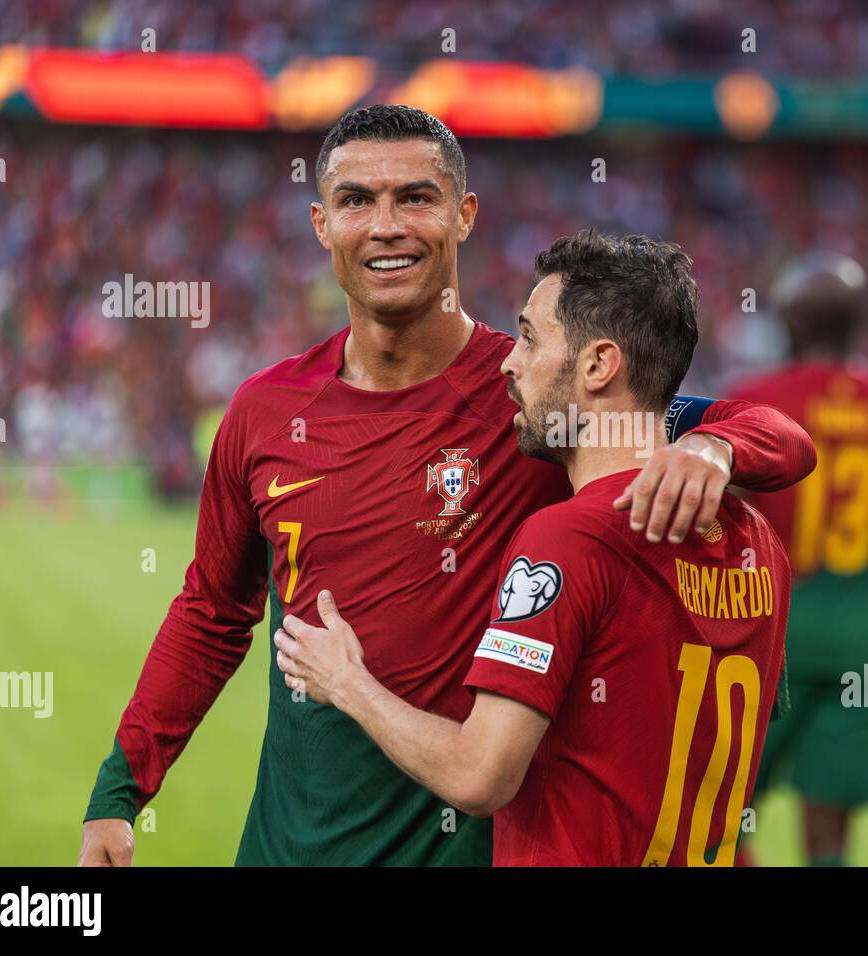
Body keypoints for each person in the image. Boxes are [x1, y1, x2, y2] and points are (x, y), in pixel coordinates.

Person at [78, 106, 816, 866]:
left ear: (463, 216)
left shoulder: (535, 402)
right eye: (357, 200)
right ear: (321, 223)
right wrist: (119, 795)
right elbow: (211, 611)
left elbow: (776, 435)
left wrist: (713, 446)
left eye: (416, 198)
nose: (386, 224)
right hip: (287, 848)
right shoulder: (267, 413)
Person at [275, 231, 792, 866]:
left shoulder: (568, 536)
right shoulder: (758, 542)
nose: (507, 363)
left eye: (529, 338)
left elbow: (480, 777)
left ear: (598, 366)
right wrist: (718, 444)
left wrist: (347, 682)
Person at [729, 253, 868, 866]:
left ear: (790, 324)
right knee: (830, 848)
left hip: (762, 641)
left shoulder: (754, 403)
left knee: (719, 819)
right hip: (857, 642)